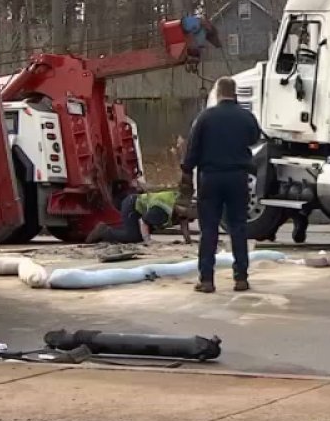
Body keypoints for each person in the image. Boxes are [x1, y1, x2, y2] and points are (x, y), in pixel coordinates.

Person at [183, 76, 260, 293]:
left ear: (217, 93)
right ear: (235, 93)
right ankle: (241, 278)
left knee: (209, 229)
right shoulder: (246, 117)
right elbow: (254, 138)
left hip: (211, 178)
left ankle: (207, 280)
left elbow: (193, 148)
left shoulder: (205, 118)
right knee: (238, 227)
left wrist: (187, 172)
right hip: (237, 178)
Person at [86, 185, 177, 244]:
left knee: (138, 234)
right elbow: (143, 222)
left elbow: (184, 222)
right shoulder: (161, 209)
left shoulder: (177, 207)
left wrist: (188, 240)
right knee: (134, 237)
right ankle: (104, 232)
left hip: (137, 206)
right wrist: (148, 241)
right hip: (132, 204)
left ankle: (117, 232)